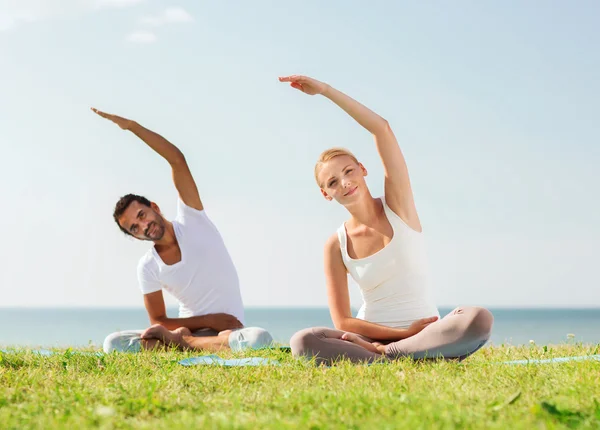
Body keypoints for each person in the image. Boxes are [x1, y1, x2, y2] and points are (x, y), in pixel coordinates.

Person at [279, 76, 493, 365]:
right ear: (326, 194)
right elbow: (343, 320)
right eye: (332, 182)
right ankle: (400, 354)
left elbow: (381, 129)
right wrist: (397, 334)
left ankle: (389, 356)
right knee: (303, 341)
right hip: (370, 339)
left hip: (426, 333)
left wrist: (326, 91)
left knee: (477, 318)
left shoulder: (398, 207)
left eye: (348, 171)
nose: (344, 183)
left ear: (363, 169)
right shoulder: (336, 244)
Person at [92, 108, 273, 353]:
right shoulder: (148, 266)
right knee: (113, 344)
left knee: (258, 340)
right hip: (195, 331)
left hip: (229, 331)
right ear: (134, 236)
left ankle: (181, 344)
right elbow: (159, 321)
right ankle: (188, 343)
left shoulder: (192, 218)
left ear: (154, 207)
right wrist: (208, 321)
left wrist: (133, 127)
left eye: (142, 215)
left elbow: (176, 159)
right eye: (135, 228)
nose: (144, 226)